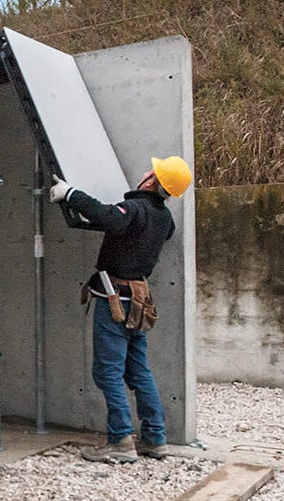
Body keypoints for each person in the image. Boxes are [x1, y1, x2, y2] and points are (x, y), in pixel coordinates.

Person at [50, 155, 192, 463]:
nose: (144, 171)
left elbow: (110, 217)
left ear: (152, 180)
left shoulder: (137, 210)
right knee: (138, 370)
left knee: (108, 372)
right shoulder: (164, 219)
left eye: (149, 170)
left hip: (115, 298)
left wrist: (70, 194)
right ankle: (155, 438)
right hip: (138, 301)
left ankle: (121, 441)